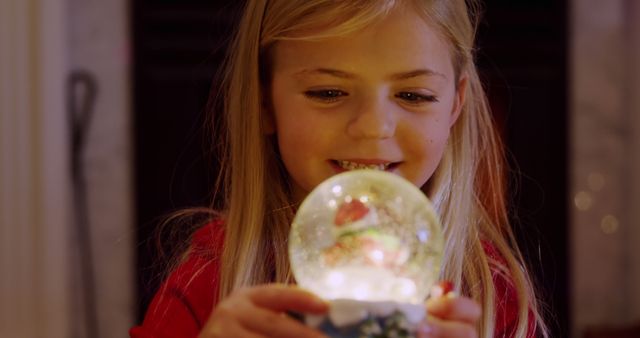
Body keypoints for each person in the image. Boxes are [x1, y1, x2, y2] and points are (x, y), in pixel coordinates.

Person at [130, 0, 549, 337]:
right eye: (328, 92)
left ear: (456, 103)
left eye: (414, 95)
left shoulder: (491, 296)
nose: (372, 127)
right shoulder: (210, 279)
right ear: (263, 101)